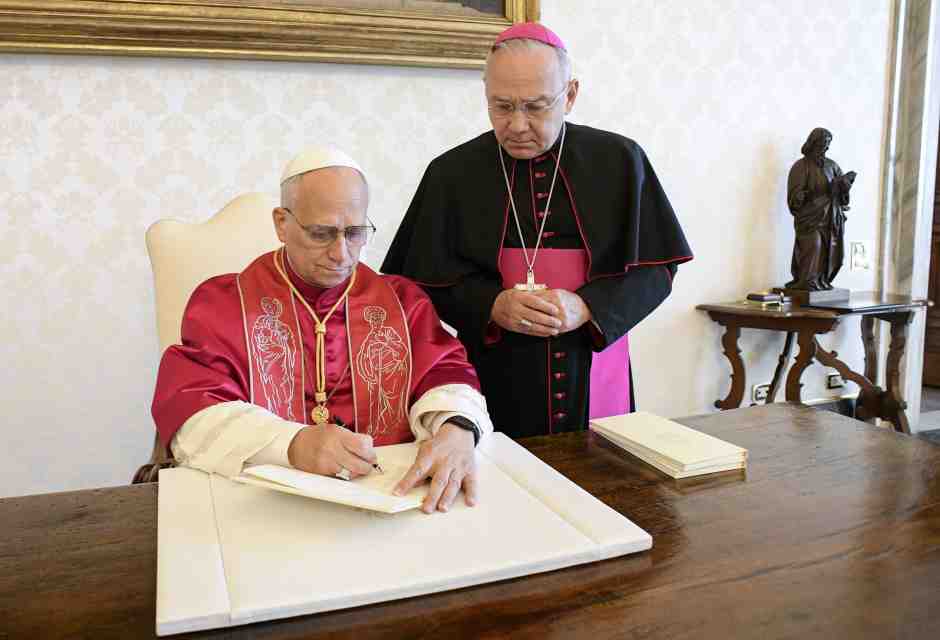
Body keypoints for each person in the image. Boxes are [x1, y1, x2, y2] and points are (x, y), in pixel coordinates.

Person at [381, 23, 692, 438]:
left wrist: (587, 308)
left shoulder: (619, 161)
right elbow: (416, 282)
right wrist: (490, 305)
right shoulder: (452, 173)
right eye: (502, 106)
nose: (517, 125)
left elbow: (656, 270)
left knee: (599, 486)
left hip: (593, 365)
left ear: (571, 95)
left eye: (536, 106)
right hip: (494, 370)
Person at [151, 147, 493, 513]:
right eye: (321, 234)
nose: (341, 254)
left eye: (355, 233)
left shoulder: (402, 300)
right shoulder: (222, 303)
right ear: (282, 223)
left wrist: (456, 430)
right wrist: (293, 443)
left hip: (384, 500)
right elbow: (192, 413)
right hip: (261, 507)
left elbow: (445, 373)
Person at [785, 127, 855, 291]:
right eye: (824, 143)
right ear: (814, 143)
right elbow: (795, 195)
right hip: (811, 218)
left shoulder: (833, 166)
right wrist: (803, 196)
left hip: (831, 217)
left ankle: (822, 280)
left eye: (828, 144)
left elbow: (843, 195)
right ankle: (807, 282)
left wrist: (844, 186)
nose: (826, 147)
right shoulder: (801, 166)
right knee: (814, 246)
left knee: (831, 252)